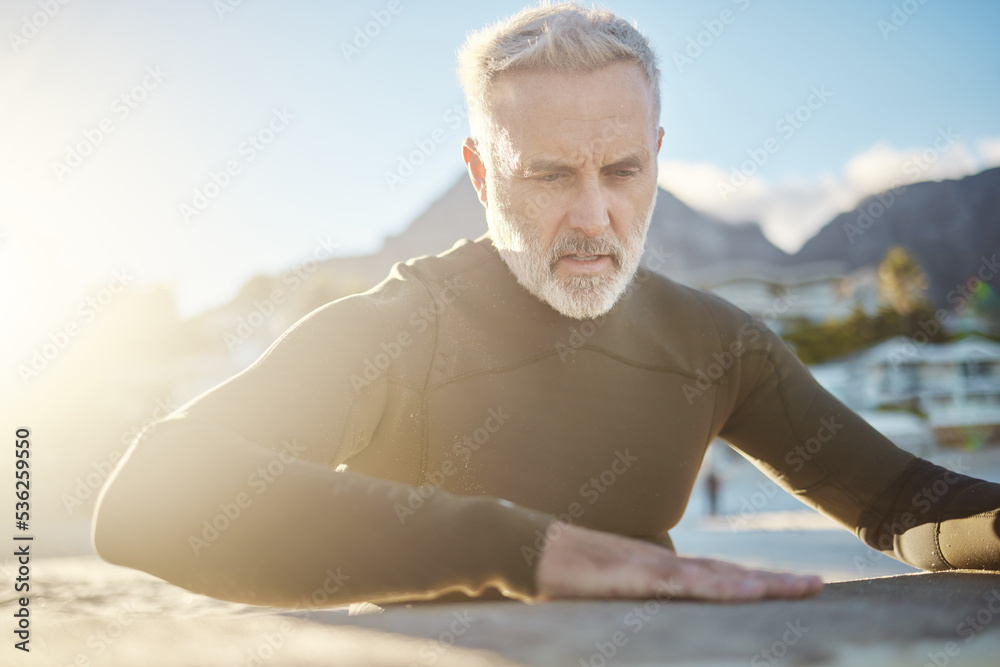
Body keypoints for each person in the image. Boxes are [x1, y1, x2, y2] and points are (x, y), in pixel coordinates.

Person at [93, 3, 1000, 609]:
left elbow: (902, 503)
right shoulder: (402, 328)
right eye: (551, 175)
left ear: (658, 154)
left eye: (623, 171)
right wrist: (520, 547)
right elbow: (148, 497)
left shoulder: (717, 343)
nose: (594, 217)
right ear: (483, 174)